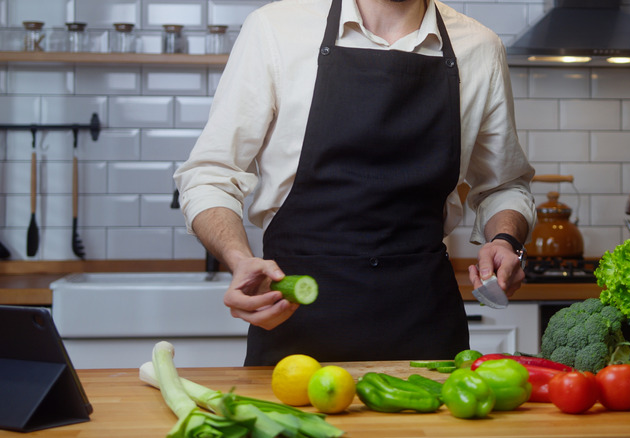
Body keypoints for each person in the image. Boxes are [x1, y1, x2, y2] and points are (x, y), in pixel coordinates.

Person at [174, 0, 536, 366]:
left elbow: (503, 185)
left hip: (426, 328)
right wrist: (239, 259)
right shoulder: (275, 29)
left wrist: (505, 240)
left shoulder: (479, 46)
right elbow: (210, 175)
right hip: (294, 323)